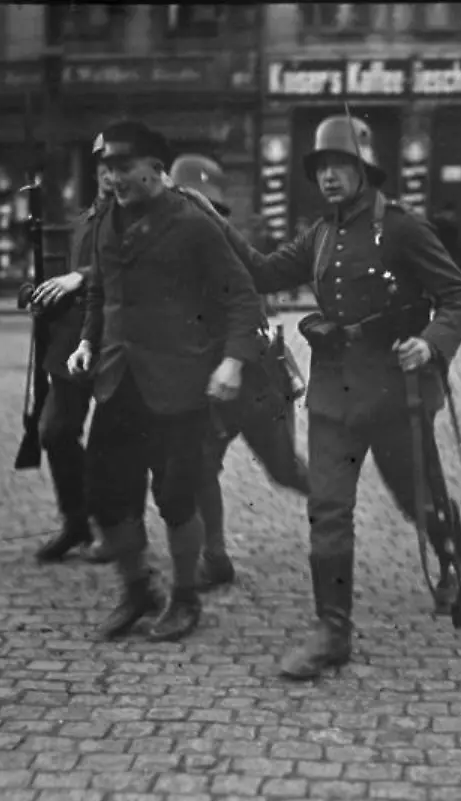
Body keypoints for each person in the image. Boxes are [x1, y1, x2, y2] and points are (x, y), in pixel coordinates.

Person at [196, 115, 461, 680]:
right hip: (333, 394)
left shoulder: (402, 228)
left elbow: (459, 296)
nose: (328, 177)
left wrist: (430, 343)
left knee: (417, 500)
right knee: (328, 510)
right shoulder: (320, 235)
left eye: (339, 166)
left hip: (394, 394)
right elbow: (265, 272)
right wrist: (212, 221)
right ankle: (332, 630)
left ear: (363, 170)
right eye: (321, 169)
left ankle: (453, 550)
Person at [46, 121, 264, 643]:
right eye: (107, 170)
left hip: (179, 386)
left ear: (155, 169)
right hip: (118, 381)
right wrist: (86, 344)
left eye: (123, 169)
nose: (113, 179)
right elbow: (103, 291)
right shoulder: (105, 222)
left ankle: (185, 598)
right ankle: (137, 587)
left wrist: (233, 361)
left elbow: (242, 295)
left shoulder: (192, 222)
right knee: (105, 496)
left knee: (176, 497)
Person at [168, 153, 310, 589]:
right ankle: (215, 556)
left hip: (257, 378)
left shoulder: (228, 246)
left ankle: (334, 501)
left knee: (284, 469)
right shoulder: (170, 247)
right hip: (209, 377)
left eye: (214, 208)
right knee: (201, 463)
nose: (207, 215)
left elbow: (250, 308)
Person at [31, 139, 116, 564]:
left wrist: (79, 277)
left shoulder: (136, 219)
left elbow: (125, 265)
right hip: (73, 341)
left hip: (116, 339)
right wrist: (46, 293)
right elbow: (71, 278)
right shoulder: (84, 220)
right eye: (102, 163)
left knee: (111, 445)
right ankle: (77, 521)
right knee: (55, 431)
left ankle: (112, 527)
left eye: (117, 163)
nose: (107, 171)